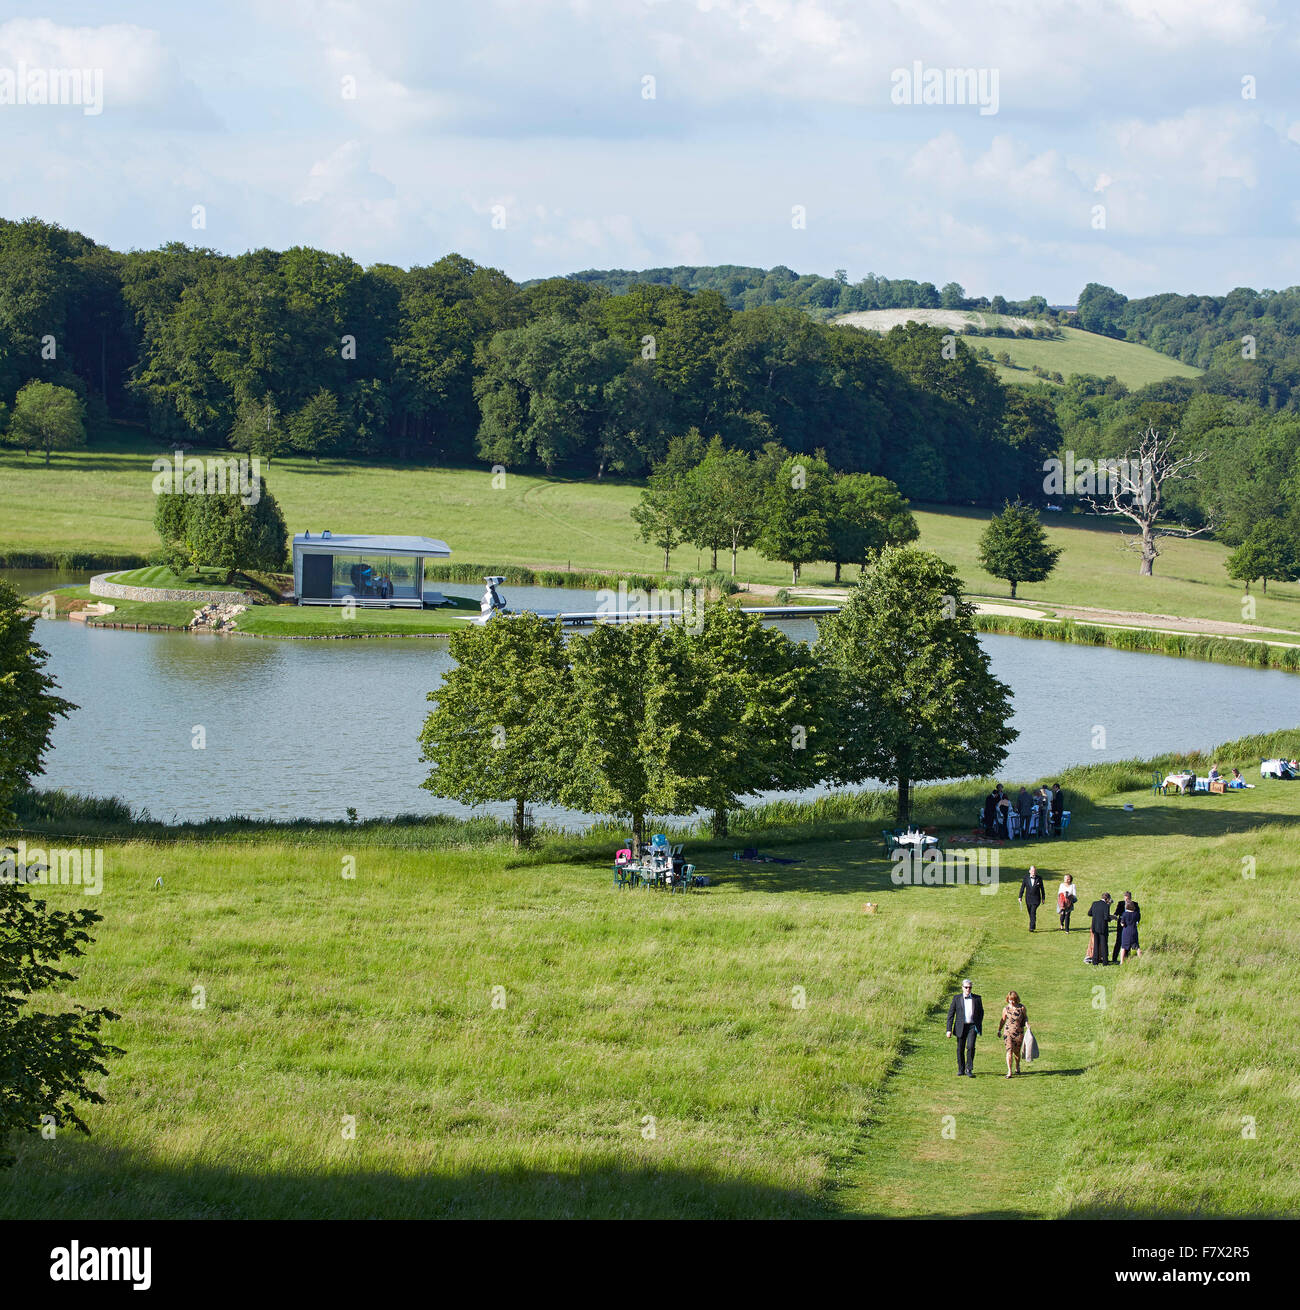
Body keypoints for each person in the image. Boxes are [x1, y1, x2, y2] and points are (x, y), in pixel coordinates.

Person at [945, 978, 983, 1078]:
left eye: (970, 987)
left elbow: (981, 1012)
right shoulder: (956, 998)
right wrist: (948, 1029)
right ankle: (961, 1069)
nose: (968, 989)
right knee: (960, 1048)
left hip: (972, 1026)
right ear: (962, 987)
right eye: (966, 987)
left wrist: (978, 1024)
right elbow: (951, 1014)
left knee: (970, 1047)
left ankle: (969, 1069)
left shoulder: (977, 998)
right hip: (960, 1026)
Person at [997, 991, 1029, 1078]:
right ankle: (1009, 1071)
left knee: (1017, 1052)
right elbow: (1003, 1020)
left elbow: (1025, 1017)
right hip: (1008, 1032)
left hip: (1018, 1033)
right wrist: (999, 1030)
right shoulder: (1006, 1009)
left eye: (1013, 1000)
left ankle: (1017, 1065)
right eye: (1010, 1000)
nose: (1012, 1002)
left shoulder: (1021, 1008)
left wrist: (1027, 1024)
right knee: (1009, 1050)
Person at [1085, 893, 1113, 964]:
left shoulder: (1094, 903)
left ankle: (1095, 961)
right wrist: (1112, 918)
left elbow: (1089, 913)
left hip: (1095, 926)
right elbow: (1106, 917)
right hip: (1103, 927)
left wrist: (1096, 915)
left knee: (1096, 944)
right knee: (1104, 944)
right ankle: (1105, 961)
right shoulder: (1106, 906)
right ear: (1107, 899)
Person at [1019, 864, 1047, 932]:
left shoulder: (1039, 878)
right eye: (1032, 871)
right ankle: (1033, 923)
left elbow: (1042, 889)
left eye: (1034, 871)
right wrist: (1020, 896)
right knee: (1030, 912)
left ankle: (1031, 927)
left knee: (1033, 912)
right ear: (1029, 871)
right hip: (1028, 899)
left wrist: (1043, 898)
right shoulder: (1026, 878)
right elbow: (1022, 887)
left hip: (1036, 899)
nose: (1033, 872)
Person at [1118, 891, 1141, 962]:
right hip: (1134, 930)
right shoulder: (1136, 914)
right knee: (1137, 947)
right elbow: (1138, 920)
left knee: (1123, 946)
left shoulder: (1125, 914)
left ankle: (1122, 961)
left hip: (1126, 931)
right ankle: (1141, 959)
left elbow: (1122, 924)